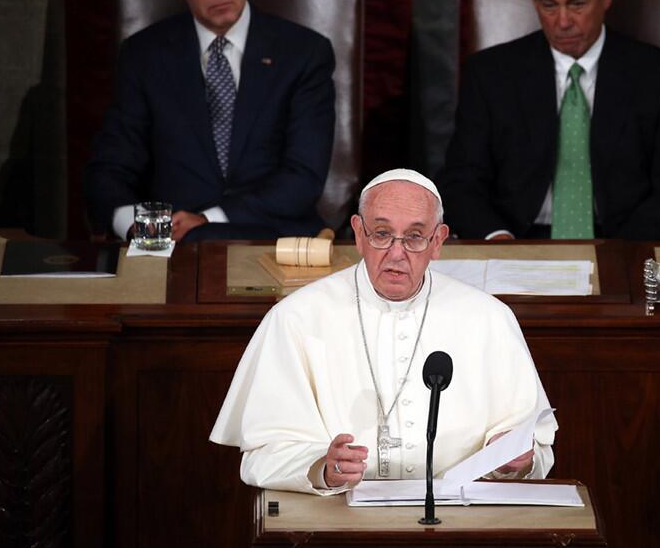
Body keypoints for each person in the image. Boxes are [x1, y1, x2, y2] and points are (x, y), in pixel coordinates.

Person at [210, 169, 557, 494]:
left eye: (415, 237)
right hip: (340, 521)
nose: (396, 253)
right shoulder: (296, 318)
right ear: (359, 234)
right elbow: (260, 456)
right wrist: (320, 467)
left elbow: (538, 450)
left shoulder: (489, 319)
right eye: (382, 234)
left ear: (438, 241)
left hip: (457, 520)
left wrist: (513, 462)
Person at [85, 0, 335, 243]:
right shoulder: (144, 55)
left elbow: (303, 178)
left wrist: (208, 219)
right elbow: (111, 167)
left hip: (273, 238)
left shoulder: (305, 53)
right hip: (171, 241)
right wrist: (141, 228)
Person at [440, 0, 660, 241]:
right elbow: (461, 182)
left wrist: (620, 251)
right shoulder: (490, 75)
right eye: (549, 5)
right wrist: (497, 239)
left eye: (577, 4)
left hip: (621, 242)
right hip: (517, 242)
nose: (562, 21)